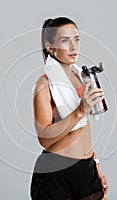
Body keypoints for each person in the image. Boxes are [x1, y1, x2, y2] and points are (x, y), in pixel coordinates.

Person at [31, 16, 108, 200]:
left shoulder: (79, 75)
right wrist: (81, 109)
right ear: (50, 47)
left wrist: (95, 163)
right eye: (65, 41)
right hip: (56, 172)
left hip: (85, 168)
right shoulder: (44, 85)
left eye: (76, 39)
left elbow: (84, 127)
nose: (73, 47)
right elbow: (44, 139)